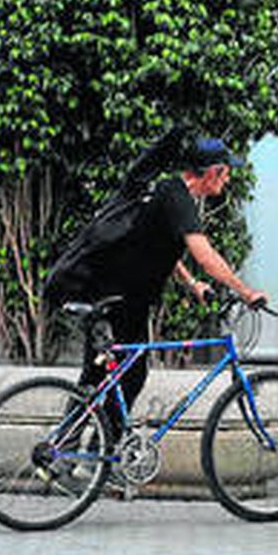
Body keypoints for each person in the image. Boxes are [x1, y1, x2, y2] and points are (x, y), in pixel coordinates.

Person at [77, 137, 267, 432]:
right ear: (212, 171)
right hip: (121, 298)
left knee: (103, 377)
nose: (228, 180)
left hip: (114, 292)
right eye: (226, 172)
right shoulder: (178, 199)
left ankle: (81, 456)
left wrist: (193, 284)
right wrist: (246, 292)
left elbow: (158, 246)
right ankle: (90, 457)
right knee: (121, 376)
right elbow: (205, 256)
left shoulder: (168, 191)